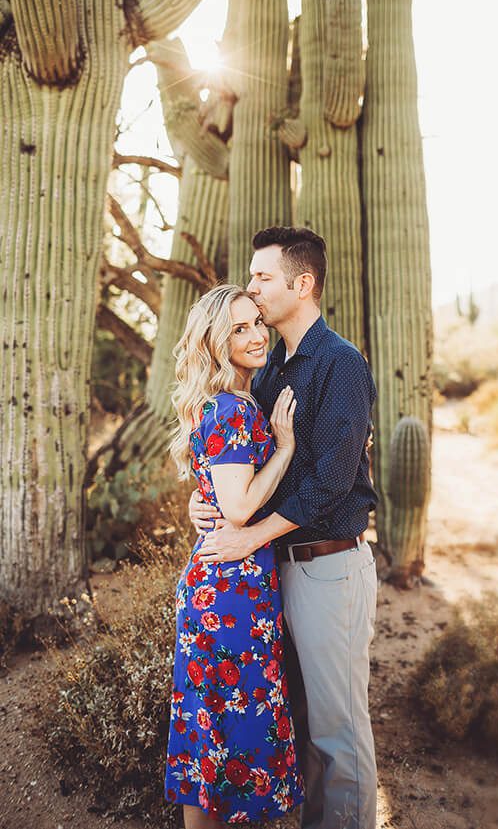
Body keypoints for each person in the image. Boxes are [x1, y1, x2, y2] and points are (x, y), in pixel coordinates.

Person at [189, 227, 380, 829]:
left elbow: (329, 481)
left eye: (263, 277)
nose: (253, 288)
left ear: (303, 284)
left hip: (327, 568)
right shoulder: (268, 371)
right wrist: (208, 507)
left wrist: (247, 533)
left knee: (337, 732)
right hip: (273, 574)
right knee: (298, 725)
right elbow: (241, 470)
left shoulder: (341, 364)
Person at [165, 285, 303, 826]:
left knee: (214, 739)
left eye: (256, 323)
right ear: (216, 343)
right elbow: (240, 507)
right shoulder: (230, 409)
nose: (254, 336)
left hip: (229, 585)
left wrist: (203, 504)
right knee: (223, 739)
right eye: (238, 329)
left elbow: (221, 496)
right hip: (229, 596)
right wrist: (285, 447)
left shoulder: (238, 402)